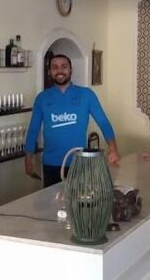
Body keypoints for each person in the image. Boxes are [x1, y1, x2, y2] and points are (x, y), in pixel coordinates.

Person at [24, 54, 120, 187]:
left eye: (64, 67)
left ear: (70, 70)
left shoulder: (87, 95)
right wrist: (28, 157)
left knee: (79, 199)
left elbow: (103, 122)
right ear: (50, 71)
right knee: (52, 200)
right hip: (51, 164)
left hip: (79, 162)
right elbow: (33, 129)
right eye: (55, 67)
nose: (59, 71)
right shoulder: (42, 98)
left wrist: (113, 149)